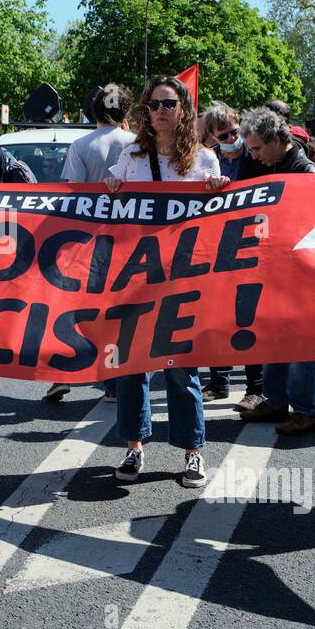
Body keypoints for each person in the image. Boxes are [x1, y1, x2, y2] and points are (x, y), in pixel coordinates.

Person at [105, 75, 229, 488]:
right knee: (131, 367)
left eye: (170, 104)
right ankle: (134, 447)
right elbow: (107, 203)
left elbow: (219, 217)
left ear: (184, 109)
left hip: (183, 277)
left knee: (182, 367)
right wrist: (111, 187)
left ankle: (194, 452)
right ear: (145, 110)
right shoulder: (130, 155)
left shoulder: (205, 160)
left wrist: (218, 191)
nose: (161, 110)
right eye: (155, 103)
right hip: (135, 276)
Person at [45, 84, 136, 403]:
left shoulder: (80, 145)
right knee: (116, 313)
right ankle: (113, 382)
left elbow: (71, 192)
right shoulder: (137, 144)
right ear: (126, 111)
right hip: (128, 240)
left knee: (73, 308)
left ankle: (60, 375)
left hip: (87, 238)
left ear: (94, 111)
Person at [240, 109, 315, 435]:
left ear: (276, 141)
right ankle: (276, 400)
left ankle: (304, 410)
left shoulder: (304, 171)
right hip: (276, 267)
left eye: (258, 148)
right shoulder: (276, 164)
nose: (254, 155)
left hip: (298, 269)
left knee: (299, 342)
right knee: (275, 335)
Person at [199, 103, 269, 412]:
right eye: (223, 134)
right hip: (216, 249)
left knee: (248, 318)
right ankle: (218, 383)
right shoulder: (206, 162)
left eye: (234, 131)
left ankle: (255, 388)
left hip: (251, 248)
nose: (231, 137)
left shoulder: (255, 157)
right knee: (216, 317)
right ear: (212, 136)